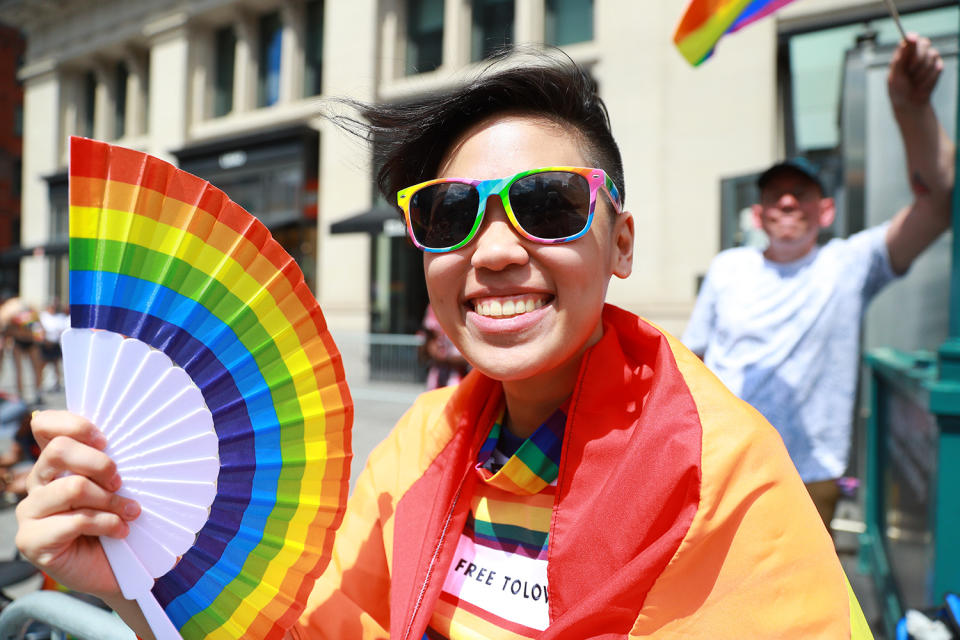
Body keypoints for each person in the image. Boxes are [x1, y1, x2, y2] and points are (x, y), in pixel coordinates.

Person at [16, 52, 873, 639]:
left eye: (546, 204)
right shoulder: (424, 442)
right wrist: (134, 576)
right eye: (446, 213)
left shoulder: (722, 475)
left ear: (622, 245)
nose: (495, 251)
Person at [682, 34, 954, 529]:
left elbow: (938, 204)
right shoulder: (728, 267)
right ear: (758, 213)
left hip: (810, 474)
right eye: (776, 195)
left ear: (826, 211)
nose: (788, 203)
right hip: (723, 461)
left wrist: (911, 109)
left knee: (798, 602)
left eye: (801, 193)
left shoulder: (848, 264)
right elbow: (693, 362)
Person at [419, 304, 470, 389]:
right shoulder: (433, 307)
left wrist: (446, 359)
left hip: (461, 381)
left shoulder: (466, 308)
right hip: (437, 381)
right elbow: (427, 344)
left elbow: (471, 358)